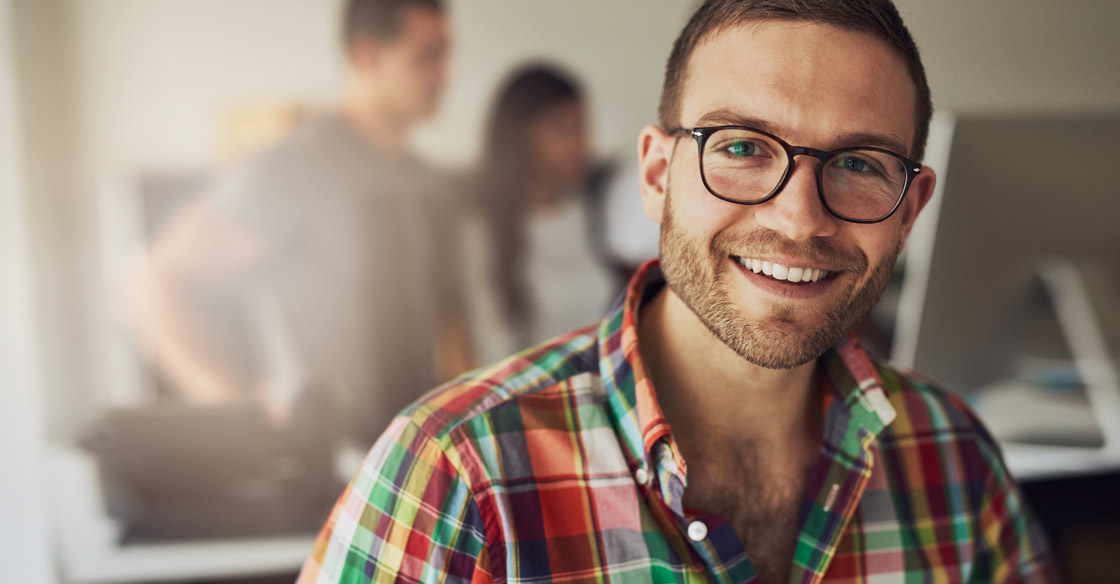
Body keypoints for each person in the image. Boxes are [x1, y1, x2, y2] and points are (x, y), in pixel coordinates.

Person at [298, 0, 1059, 582]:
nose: (799, 219)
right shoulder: (456, 473)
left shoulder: (955, 458)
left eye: (859, 164)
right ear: (657, 176)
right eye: (740, 147)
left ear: (911, 209)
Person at [129, 0, 468, 447]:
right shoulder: (291, 169)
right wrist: (239, 406)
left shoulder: (427, 180)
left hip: (418, 459)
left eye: (446, 55)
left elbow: (449, 329)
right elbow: (154, 282)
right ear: (365, 56)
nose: (444, 75)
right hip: (329, 466)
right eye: (427, 56)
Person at [464, 64, 620, 364]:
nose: (581, 143)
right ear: (521, 136)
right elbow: (491, 350)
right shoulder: (482, 233)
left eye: (583, 126)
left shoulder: (594, 209)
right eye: (564, 128)